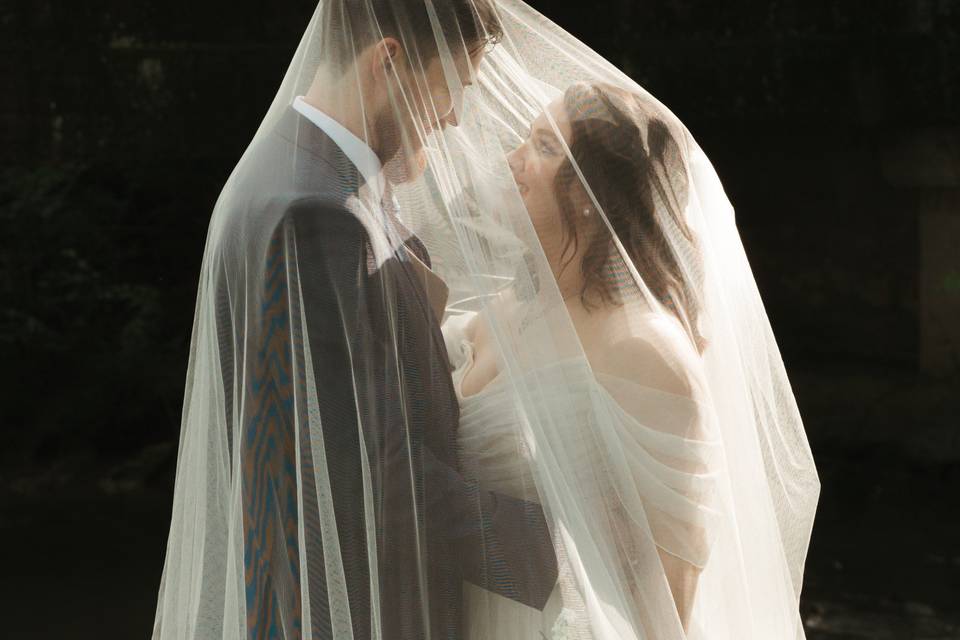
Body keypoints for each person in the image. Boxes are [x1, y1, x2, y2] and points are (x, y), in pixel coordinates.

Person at [152, 1, 558, 638]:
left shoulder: (287, 174)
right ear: (389, 61)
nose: (453, 117)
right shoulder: (318, 217)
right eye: (451, 88)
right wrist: (564, 549)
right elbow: (373, 476)